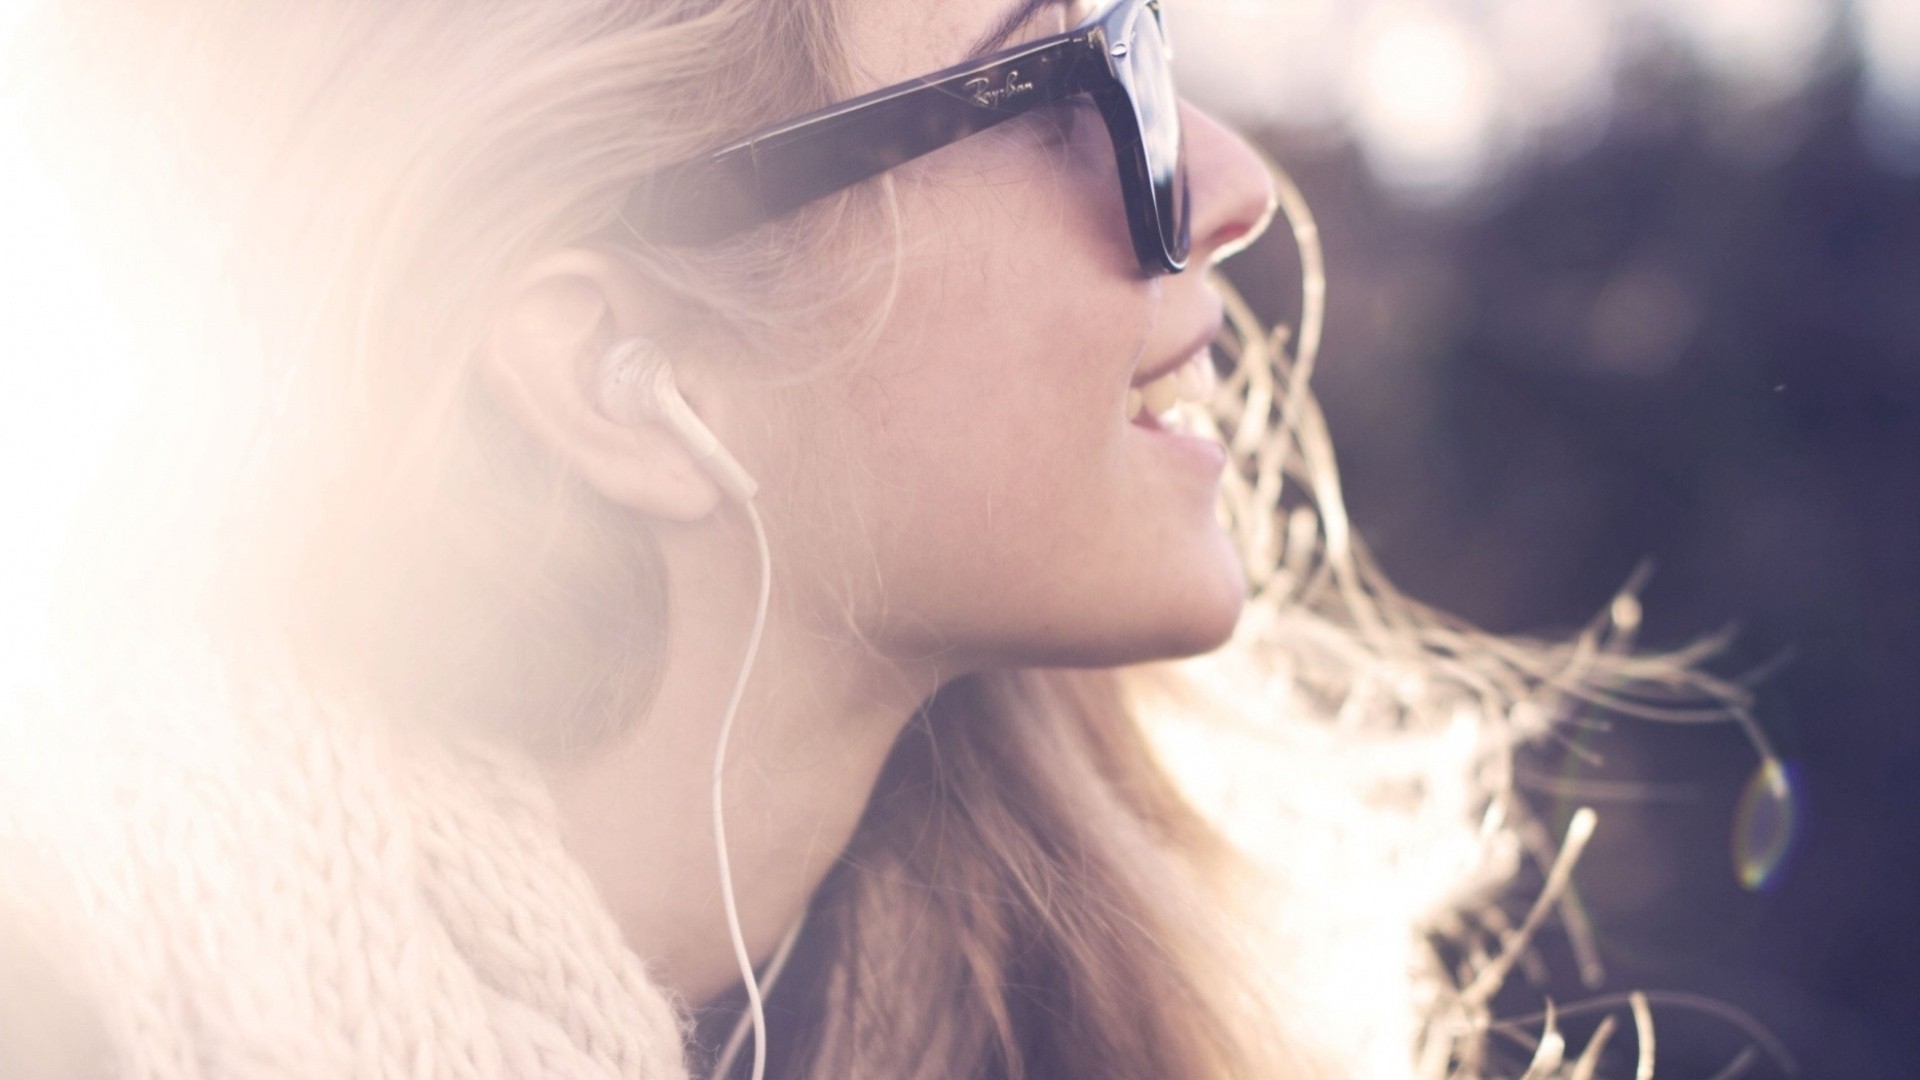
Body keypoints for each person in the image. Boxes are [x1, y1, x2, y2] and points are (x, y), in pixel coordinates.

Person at [0, 1, 1748, 1077]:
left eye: (1147, 34)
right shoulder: (73, 1009)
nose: (1224, 186)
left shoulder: (1110, 996)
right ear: (622, 375)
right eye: (1073, 79)